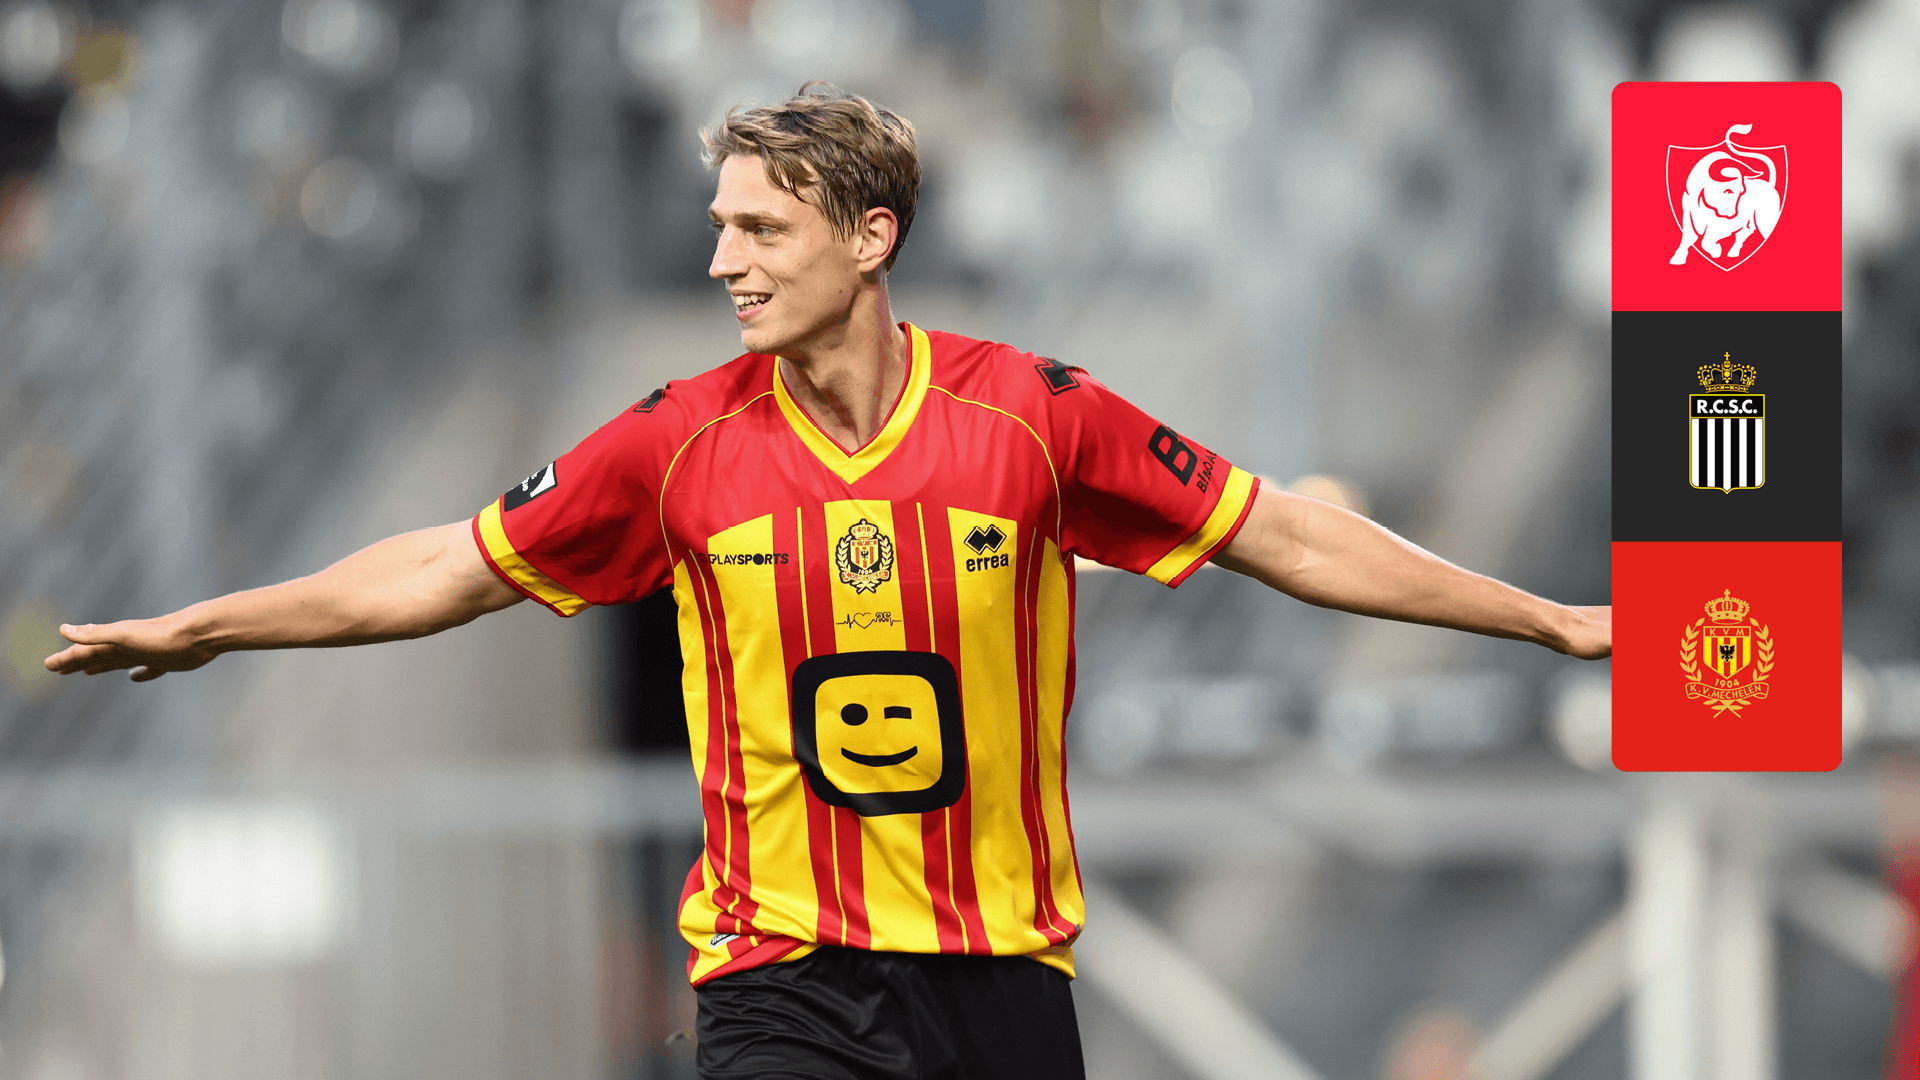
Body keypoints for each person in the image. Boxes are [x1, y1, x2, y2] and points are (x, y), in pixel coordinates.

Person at [45, 86, 1611, 1079]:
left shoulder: (1036, 416)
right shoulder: (673, 443)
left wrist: (1542, 616)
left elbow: (1288, 534)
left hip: (1000, 979)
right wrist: (215, 626)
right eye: (718, 225)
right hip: (779, 974)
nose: (723, 261)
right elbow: (448, 568)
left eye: (760, 228)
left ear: (870, 238)